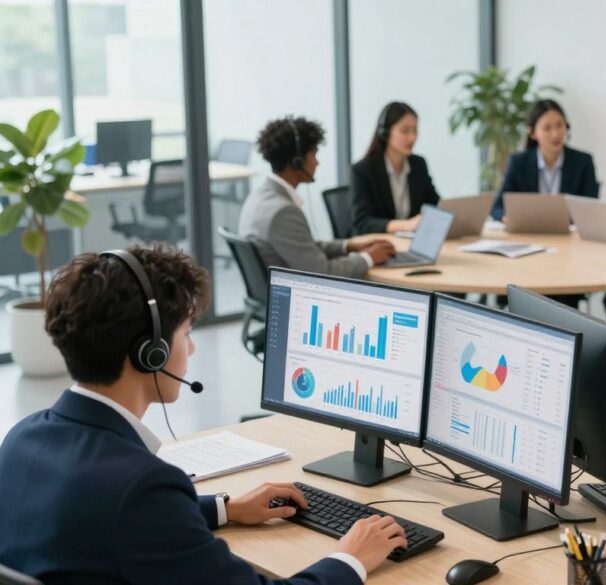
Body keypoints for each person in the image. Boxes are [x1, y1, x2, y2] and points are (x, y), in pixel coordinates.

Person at [0, 245, 406, 584]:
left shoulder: (21, 439)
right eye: (186, 333)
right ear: (151, 351)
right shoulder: (142, 488)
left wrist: (224, 507)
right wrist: (349, 558)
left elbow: (104, 520)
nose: (191, 350)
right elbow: (135, 512)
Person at [239, 116, 395, 278]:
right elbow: (323, 273)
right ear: (296, 161)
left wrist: (348, 246)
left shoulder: (260, 196)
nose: (317, 162)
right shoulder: (283, 212)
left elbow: (303, 247)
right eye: (314, 153)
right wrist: (368, 257)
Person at [489, 99, 598, 220]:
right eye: (547, 128)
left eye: (559, 125)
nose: (555, 134)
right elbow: (497, 208)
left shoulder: (583, 162)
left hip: (568, 236)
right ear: (533, 133)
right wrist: (507, 217)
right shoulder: (518, 163)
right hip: (529, 233)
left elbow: (592, 209)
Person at [351, 102, 442, 235]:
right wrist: (406, 225)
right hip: (379, 245)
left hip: (410, 243)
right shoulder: (362, 170)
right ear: (385, 132)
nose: (412, 137)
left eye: (415, 130)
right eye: (405, 131)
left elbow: (435, 204)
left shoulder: (418, 164)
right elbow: (362, 222)